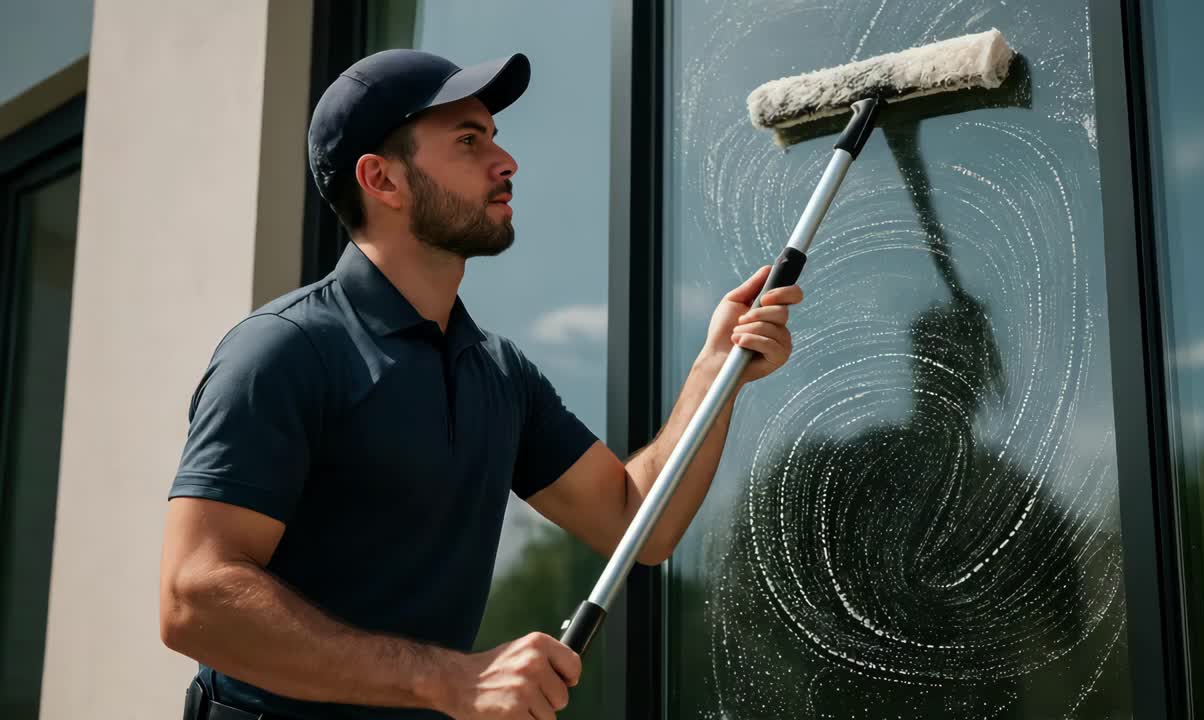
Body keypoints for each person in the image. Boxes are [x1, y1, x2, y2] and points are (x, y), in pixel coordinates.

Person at [158, 48, 803, 720]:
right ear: (382, 179)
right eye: (468, 141)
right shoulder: (285, 350)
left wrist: (714, 371)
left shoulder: (499, 373)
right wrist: (448, 681)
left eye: (494, 137)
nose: (506, 162)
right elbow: (192, 598)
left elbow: (636, 522)